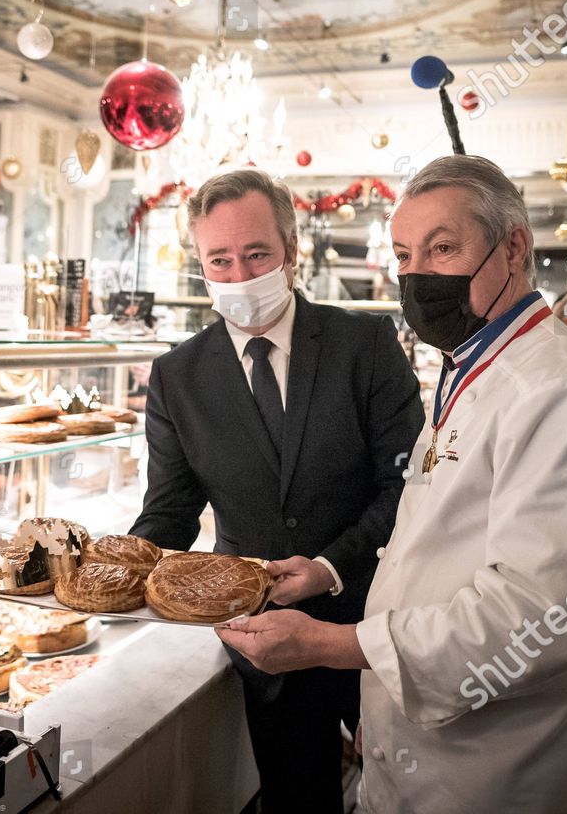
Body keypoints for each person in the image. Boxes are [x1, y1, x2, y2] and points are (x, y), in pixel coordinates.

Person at [218, 155, 567, 814]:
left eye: (443, 247)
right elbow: (431, 549)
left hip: (502, 769)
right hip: (426, 741)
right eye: (404, 255)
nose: (418, 274)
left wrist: (329, 646)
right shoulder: (473, 368)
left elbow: (539, 620)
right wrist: (385, 698)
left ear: (513, 247)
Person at [130, 167, 424, 814]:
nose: (239, 275)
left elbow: (408, 486)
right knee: (298, 800)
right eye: (221, 260)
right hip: (262, 641)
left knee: (411, 791)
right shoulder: (176, 378)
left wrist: (327, 569)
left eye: (256, 254)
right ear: (200, 264)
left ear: (291, 251)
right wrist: (118, 570)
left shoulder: (366, 346)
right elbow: (170, 512)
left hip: (375, 622)